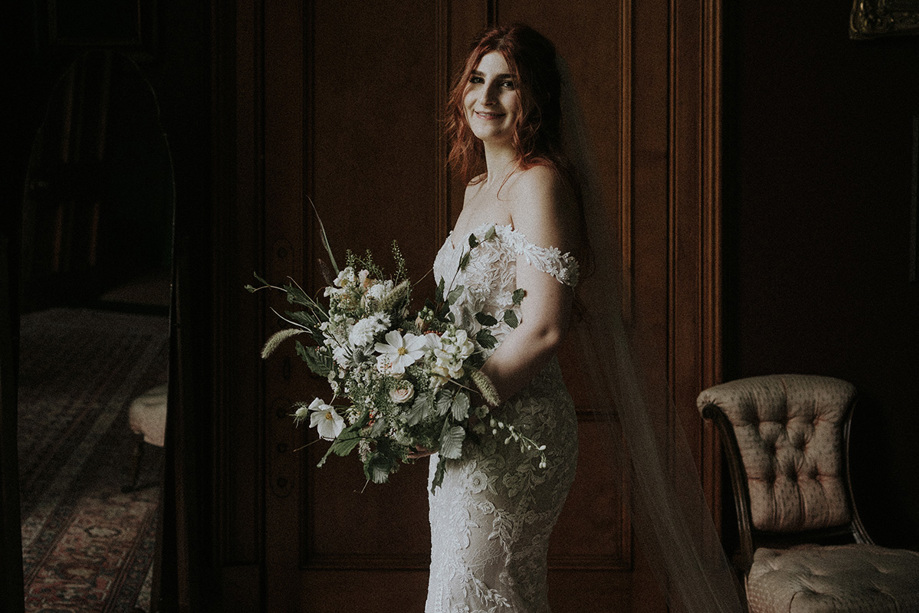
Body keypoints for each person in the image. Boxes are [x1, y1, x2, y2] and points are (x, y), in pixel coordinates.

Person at [421, 23, 582, 612]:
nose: (485, 97)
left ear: (534, 98)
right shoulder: (478, 188)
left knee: (477, 597)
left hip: (516, 428)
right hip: (467, 423)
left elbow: (544, 328)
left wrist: (453, 405)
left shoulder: (537, 183)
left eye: (507, 83)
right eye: (477, 80)